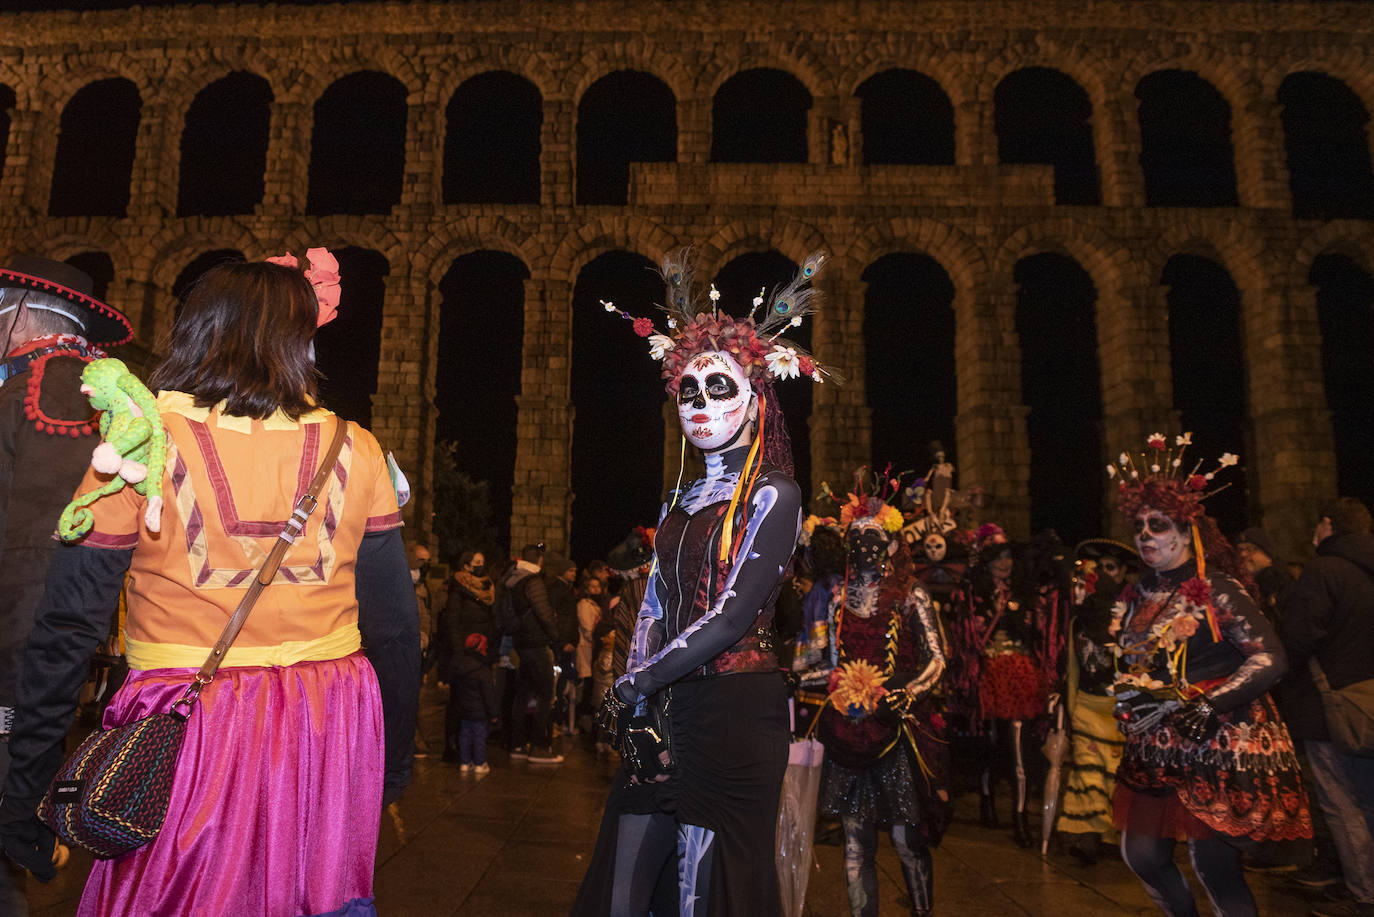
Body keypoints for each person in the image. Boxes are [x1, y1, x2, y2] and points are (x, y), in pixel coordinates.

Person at [0, 255, 419, 916]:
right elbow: (395, 625)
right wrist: (392, 761)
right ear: (298, 344)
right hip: (327, 727)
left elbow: (69, 625)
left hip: (188, 730)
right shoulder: (355, 447)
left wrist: (26, 787)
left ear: (194, 331)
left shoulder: (142, 441)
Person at [572, 249, 826, 915]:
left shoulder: (776, 493)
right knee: (625, 885)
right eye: (688, 388)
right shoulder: (678, 500)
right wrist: (636, 696)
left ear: (753, 398)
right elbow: (654, 603)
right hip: (663, 707)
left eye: (719, 388)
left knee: (699, 891)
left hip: (734, 710)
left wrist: (638, 681)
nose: (700, 402)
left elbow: (734, 615)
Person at [1107, 434, 1311, 917]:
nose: (1145, 535)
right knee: (1141, 855)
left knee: (1214, 866)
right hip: (1155, 747)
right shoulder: (1138, 595)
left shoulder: (1217, 588)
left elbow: (1270, 658)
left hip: (1215, 744)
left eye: (1157, 525)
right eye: (1139, 526)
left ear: (1186, 531)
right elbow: (1135, 662)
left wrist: (1207, 703)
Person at [0, 255, 133, 915]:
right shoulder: (67, 389)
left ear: (21, 311)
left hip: (14, 672)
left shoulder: (49, 393)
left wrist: (21, 716)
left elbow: (38, 563)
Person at [813, 487, 949, 917]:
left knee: (907, 838)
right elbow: (825, 663)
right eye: (855, 538)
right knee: (855, 838)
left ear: (890, 543)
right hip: (848, 731)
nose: (863, 547)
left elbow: (938, 660)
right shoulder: (837, 599)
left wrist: (905, 694)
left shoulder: (912, 596)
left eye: (872, 537)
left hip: (896, 730)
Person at [1279, 497, 1374, 917]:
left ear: (1329, 526)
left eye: (1318, 526)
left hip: (1331, 708)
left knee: (1343, 803)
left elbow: (1298, 638)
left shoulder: (1324, 571)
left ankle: (1364, 895)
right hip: (1370, 701)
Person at [948, 524, 1053, 847]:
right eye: (997, 557)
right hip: (988, 673)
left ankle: (1020, 818)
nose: (1005, 563)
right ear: (987, 561)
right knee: (989, 743)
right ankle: (987, 798)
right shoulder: (973, 594)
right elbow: (964, 636)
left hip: (1020, 672)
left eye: (1008, 556)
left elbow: (1041, 634)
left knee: (1019, 750)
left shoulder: (1025, 592)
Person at [1057, 539, 1136, 864]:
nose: (1103, 574)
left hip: (1119, 709)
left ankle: (1111, 835)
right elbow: (1072, 667)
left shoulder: (1132, 618)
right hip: (1087, 705)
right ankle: (1085, 838)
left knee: (1115, 775)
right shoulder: (1079, 617)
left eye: (1111, 568)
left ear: (1122, 575)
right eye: (1098, 567)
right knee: (1087, 773)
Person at [505, 543, 564, 764]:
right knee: (546, 693)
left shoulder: (513, 579)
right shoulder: (533, 581)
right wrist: (556, 638)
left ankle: (517, 744)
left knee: (523, 693)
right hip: (536, 643)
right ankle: (539, 746)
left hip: (521, 643)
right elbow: (543, 613)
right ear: (539, 561)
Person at [441, 549, 494, 762]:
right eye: (477, 562)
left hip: (481, 652)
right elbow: (452, 624)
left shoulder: (487, 588)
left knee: (476, 699)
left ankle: (473, 746)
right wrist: (459, 654)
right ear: (466, 566)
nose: (481, 565)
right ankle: (453, 745)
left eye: (483, 561)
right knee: (458, 700)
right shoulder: (458, 591)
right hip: (464, 653)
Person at [452, 633, 498, 775]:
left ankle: (465, 762)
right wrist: (494, 714)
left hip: (464, 710)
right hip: (480, 712)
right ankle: (479, 763)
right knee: (479, 736)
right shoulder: (482, 671)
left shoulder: (460, 667)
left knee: (465, 735)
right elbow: (488, 695)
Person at [1236, 526, 1295, 626]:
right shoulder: (1240, 584)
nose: (1243, 554)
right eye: (1240, 550)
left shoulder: (1279, 584)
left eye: (1251, 549)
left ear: (1268, 555)